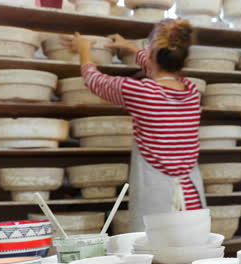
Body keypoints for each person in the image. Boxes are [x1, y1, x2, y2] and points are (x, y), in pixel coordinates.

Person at [62, 19, 206, 232]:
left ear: (152, 54)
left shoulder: (139, 91)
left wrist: (84, 50)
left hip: (160, 204)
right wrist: (132, 48)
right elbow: (157, 68)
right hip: (191, 199)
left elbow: (94, 80)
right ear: (184, 59)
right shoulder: (192, 92)